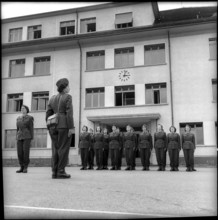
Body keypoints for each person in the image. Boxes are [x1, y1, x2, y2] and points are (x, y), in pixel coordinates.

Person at [46, 78, 74, 179]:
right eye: (68, 86)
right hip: (63, 125)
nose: (69, 88)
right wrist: (71, 127)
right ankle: (61, 171)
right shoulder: (68, 97)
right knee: (63, 148)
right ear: (65, 88)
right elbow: (69, 114)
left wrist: (48, 127)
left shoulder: (52, 98)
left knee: (55, 149)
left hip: (52, 126)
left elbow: (48, 113)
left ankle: (54, 171)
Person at [16, 105, 34, 173]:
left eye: (23, 108)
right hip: (19, 136)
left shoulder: (30, 118)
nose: (22, 109)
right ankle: (21, 167)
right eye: (21, 108)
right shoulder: (18, 118)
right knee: (19, 152)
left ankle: (25, 167)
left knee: (26, 152)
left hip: (27, 136)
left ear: (27, 110)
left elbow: (31, 128)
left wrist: (31, 138)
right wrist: (16, 137)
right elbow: (17, 129)